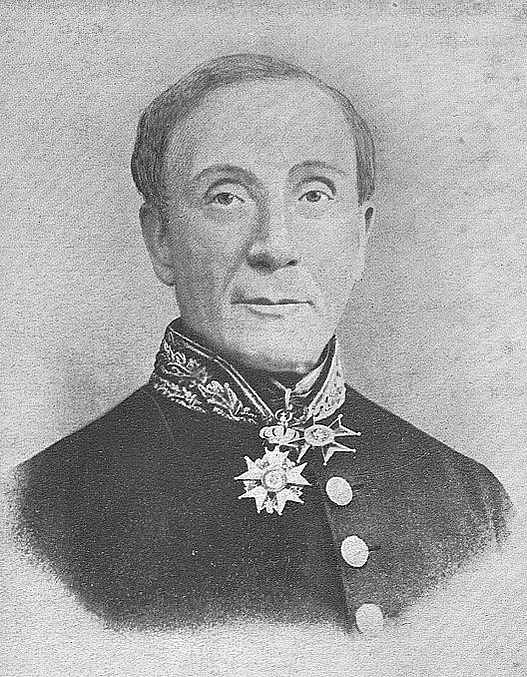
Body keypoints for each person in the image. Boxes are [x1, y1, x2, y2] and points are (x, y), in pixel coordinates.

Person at [14, 53, 512, 634]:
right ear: (161, 241)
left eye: (315, 194)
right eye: (227, 197)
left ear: (360, 235)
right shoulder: (38, 514)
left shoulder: (473, 502)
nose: (275, 246)